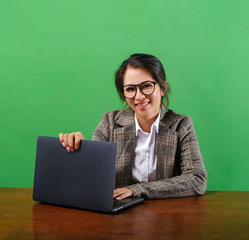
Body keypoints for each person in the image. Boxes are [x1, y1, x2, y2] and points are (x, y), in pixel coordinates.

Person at [59, 53, 207, 200]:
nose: (139, 96)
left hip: (165, 214)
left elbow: (196, 179)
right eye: (130, 89)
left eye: (147, 86)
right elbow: (92, 175)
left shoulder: (181, 125)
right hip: (118, 213)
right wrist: (79, 151)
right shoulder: (109, 122)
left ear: (163, 88)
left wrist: (136, 190)